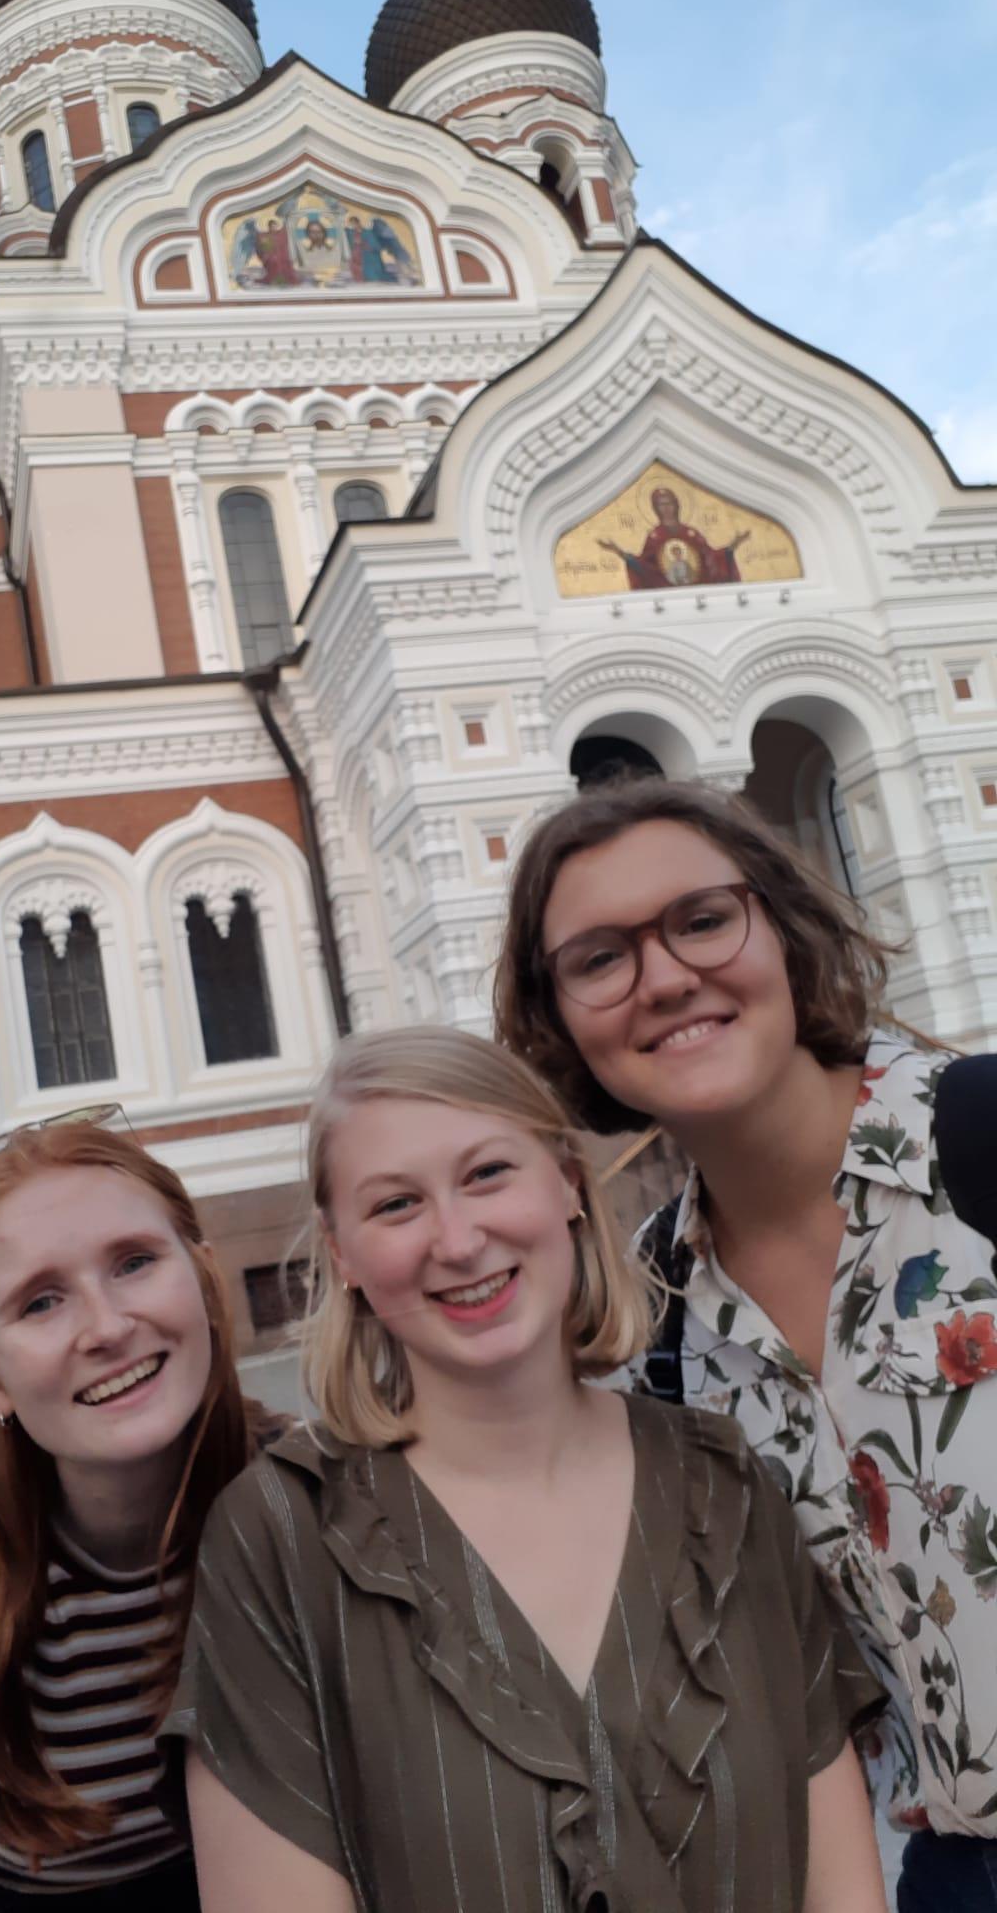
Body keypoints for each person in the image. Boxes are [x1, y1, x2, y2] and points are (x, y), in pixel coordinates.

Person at [165, 1026, 887, 1913]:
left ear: (569, 1182)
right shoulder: (283, 1536)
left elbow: (842, 1886)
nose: (458, 1238)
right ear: (341, 1251)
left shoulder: (726, 1485)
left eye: (487, 1173)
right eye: (396, 1204)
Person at [496, 772, 997, 1911]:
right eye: (600, 958)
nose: (667, 976)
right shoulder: (655, 1327)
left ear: (782, 924)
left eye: (703, 918)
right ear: (560, 1017)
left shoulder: (978, 1133)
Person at [0, 1123, 279, 1912]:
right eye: (41, 1301)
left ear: (205, 1277)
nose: (108, 1327)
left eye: (135, 1262)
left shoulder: (325, 1501)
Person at [598, 486, 751, 588]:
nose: (666, 508)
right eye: (661, 504)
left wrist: (731, 547)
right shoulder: (655, 536)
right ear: (655, 508)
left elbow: (710, 559)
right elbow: (646, 568)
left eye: (669, 503)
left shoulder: (691, 533)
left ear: (677, 505)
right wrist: (620, 552)